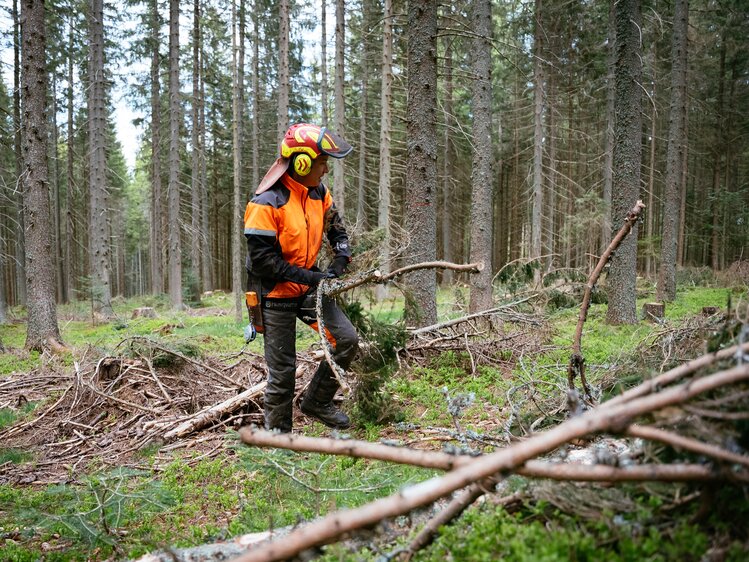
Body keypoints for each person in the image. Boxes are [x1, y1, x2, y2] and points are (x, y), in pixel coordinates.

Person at [243, 123, 359, 432]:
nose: (324, 170)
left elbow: (335, 226)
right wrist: (314, 277)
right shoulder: (266, 203)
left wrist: (342, 255)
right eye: (322, 162)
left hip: (306, 285)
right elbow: (265, 263)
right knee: (282, 373)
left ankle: (317, 401)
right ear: (302, 161)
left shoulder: (318, 192)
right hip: (275, 292)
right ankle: (278, 439)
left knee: (346, 339)